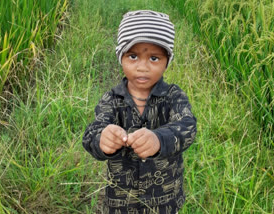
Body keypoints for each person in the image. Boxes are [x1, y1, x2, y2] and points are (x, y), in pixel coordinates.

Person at [82, 10, 197, 214]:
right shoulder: (112, 99)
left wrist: (159, 139)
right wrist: (102, 139)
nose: (142, 67)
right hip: (121, 202)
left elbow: (187, 126)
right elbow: (92, 132)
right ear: (121, 57)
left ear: (167, 61)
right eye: (133, 56)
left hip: (164, 200)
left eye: (154, 58)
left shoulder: (173, 96)